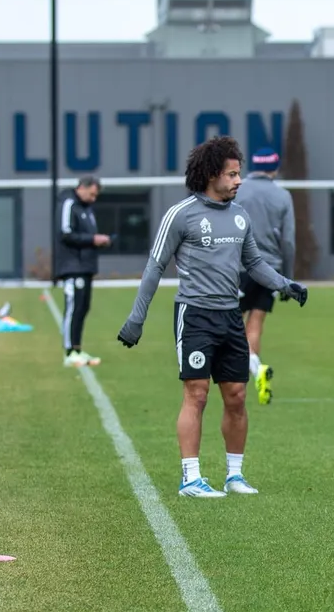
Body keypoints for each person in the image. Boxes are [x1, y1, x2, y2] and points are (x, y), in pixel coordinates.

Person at [117, 136, 309, 498]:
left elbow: (253, 263)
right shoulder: (181, 214)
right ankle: (191, 478)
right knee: (198, 394)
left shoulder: (240, 216)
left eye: (239, 174)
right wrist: (136, 319)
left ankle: (234, 475)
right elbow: (155, 266)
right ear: (210, 175)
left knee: (236, 395)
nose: (239, 181)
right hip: (195, 316)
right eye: (232, 174)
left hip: (230, 316)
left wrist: (286, 284)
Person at [232, 146, 297, 406]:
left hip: (236, 266)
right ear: (275, 168)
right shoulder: (282, 195)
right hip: (269, 268)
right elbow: (288, 241)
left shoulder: (237, 189)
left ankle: (239, 376)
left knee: (232, 324)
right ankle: (254, 374)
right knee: (255, 323)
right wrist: (287, 280)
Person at [56, 176, 111, 368]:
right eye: (92, 194)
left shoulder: (87, 208)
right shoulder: (69, 203)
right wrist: (92, 239)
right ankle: (70, 351)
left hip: (86, 266)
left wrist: (98, 242)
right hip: (72, 266)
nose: (94, 198)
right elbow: (66, 233)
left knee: (83, 308)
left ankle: (78, 349)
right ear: (83, 188)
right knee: (73, 308)